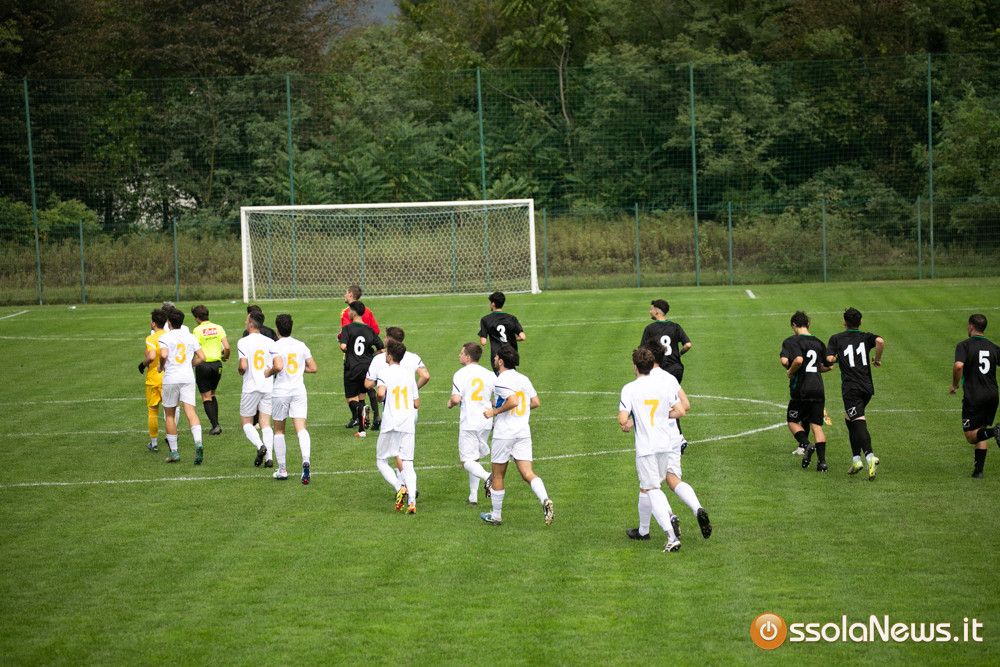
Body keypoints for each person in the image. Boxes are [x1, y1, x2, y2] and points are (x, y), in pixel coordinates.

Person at [618, 347, 703, 553]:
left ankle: (671, 536)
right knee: (656, 485)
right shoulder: (664, 385)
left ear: (635, 366)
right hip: (665, 445)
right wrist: (662, 415)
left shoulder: (630, 388)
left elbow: (622, 419)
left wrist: (630, 422)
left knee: (652, 489)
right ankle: (667, 523)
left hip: (646, 448)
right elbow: (680, 410)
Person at [479, 344, 553, 526]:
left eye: (496, 357)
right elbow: (535, 402)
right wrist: (519, 410)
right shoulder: (524, 379)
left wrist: (494, 412)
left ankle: (496, 515)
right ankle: (545, 499)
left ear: (501, 361)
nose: (494, 359)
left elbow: (513, 401)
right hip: (522, 432)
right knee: (527, 472)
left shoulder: (501, 380)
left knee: (498, 475)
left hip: (504, 433)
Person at [826, 307, 884, 480]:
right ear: (860, 322)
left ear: (844, 322)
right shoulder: (866, 337)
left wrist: (836, 358)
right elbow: (880, 342)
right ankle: (856, 459)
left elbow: (829, 359)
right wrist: (877, 360)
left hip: (851, 388)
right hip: (867, 387)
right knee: (849, 418)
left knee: (858, 420)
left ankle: (869, 456)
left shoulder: (836, 338)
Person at [949, 314, 1000, 478]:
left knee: (971, 436)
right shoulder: (993, 347)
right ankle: (978, 472)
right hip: (992, 394)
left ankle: (996, 431)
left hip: (974, 395)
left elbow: (958, 366)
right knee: (980, 430)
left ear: (971, 326)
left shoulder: (964, 345)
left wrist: (955, 385)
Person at [780, 311, 831, 471]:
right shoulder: (818, 342)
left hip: (801, 389)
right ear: (808, 324)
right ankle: (822, 463)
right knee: (817, 426)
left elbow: (792, 361)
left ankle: (806, 444)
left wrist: (790, 371)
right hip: (818, 388)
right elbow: (827, 366)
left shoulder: (791, 341)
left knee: (792, 420)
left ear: (794, 325)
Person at [270, 313, 317, 484]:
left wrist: (268, 372)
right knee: (301, 428)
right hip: (298, 391)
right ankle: (306, 461)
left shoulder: (274, 346)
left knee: (279, 430)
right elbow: (313, 367)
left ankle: (282, 469)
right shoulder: (301, 345)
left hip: (281, 391)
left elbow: (277, 366)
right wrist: (299, 369)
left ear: (277, 328)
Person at [640, 298, 692, 451]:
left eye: (651, 309)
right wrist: (679, 354)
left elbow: (643, 351)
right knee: (672, 402)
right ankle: (675, 437)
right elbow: (688, 344)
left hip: (662, 371)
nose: (650, 311)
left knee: (667, 404)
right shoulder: (675, 326)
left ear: (657, 311)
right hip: (677, 369)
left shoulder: (650, 329)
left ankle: (678, 438)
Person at [374, 340, 420, 513]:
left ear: (390, 356)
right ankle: (412, 501)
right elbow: (416, 403)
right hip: (407, 423)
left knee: (381, 460)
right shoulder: (408, 374)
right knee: (407, 462)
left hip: (390, 422)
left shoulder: (384, 372)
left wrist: (380, 398)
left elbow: (380, 393)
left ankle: (399, 486)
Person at [447, 342, 496, 505]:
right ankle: (473, 496)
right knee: (474, 458)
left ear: (468, 357)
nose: (459, 355)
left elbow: (456, 399)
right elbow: (497, 398)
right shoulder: (489, 374)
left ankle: (487, 476)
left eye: (461, 353)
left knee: (466, 461)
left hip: (469, 421)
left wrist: (450, 403)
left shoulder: (460, 374)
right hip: (486, 420)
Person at [157, 308, 206, 463]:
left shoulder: (165, 337)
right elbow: (202, 357)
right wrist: (190, 364)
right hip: (187, 377)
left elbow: (164, 354)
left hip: (171, 378)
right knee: (191, 412)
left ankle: (174, 452)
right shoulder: (190, 336)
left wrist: (161, 366)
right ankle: (198, 442)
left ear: (168, 322)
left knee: (170, 415)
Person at [238, 310, 283, 467]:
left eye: (247, 320)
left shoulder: (243, 342)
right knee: (265, 423)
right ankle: (269, 458)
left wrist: (240, 370)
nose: (245, 322)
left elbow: (243, 366)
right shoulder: (270, 342)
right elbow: (278, 365)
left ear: (251, 323)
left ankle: (260, 446)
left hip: (250, 387)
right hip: (267, 386)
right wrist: (269, 372)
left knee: (246, 422)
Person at [365, 326, 430, 431]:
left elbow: (368, 384)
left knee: (389, 441)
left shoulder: (379, 359)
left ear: (389, 340)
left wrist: (381, 382)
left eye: (386, 337)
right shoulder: (413, 357)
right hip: (410, 412)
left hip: (391, 412)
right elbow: (425, 376)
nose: (384, 339)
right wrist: (413, 389)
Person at [340, 301, 383, 438]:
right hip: (367, 366)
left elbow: (343, 346)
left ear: (353, 312)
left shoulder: (347, 328)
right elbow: (381, 348)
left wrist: (347, 349)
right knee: (362, 395)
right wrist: (371, 355)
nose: (348, 313)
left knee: (351, 399)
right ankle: (362, 430)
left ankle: (360, 409)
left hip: (352, 367)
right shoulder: (369, 330)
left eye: (349, 311)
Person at [191, 305, 230, 436]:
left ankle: (215, 426)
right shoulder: (218, 327)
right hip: (217, 365)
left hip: (203, 365)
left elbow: (194, 349)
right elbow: (227, 347)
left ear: (197, 317)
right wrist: (225, 357)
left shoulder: (197, 330)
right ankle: (216, 423)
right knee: (212, 394)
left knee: (206, 397)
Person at [138, 308, 167, 452]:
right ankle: (171, 438)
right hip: (169, 378)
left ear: (154, 323)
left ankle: (154, 443)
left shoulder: (151, 338)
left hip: (154, 378)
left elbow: (151, 356)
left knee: (153, 411)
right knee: (171, 411)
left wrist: (142, 364)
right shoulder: (169, 336)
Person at [479, 291, 525, 373]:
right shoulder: (511, 318)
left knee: (500, 378)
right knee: (511, 376)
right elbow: (522, 337)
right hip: (510, 354)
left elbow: (483, 342)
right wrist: (512, 339)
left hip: (497, 355)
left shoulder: (485, 319)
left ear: (493, 304)